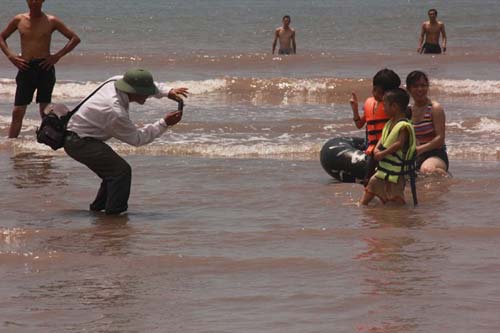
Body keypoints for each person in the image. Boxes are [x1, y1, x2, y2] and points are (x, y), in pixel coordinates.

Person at [64, 68, 189, 215]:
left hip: (79, 134)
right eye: (146, 92)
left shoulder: (116, 81)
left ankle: (99, 210)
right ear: (133, 91)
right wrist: (164, 123)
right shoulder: (114, 111)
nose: (149, 95)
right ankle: (114, 216)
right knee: (120, 171)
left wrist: (168, 91)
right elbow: (137, 139)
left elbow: (147, 84)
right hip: (79, 142)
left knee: (112, 172)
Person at [0, 0, 81, 138]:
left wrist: (57, 56)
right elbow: (1, 37)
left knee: (45, 111)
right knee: (18, 111)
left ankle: (47, 142)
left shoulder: (51, 20)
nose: (34, 1)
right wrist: (11, 56)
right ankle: (11, 143)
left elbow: (74, 38)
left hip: (45, 68)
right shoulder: (19, 20)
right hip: (25, 67)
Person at [360, 88, 416, 205]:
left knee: (396, 196)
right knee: (372, 184)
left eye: (385, 106)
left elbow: (399, 144)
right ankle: (361, 204)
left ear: (394, 107)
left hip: (396, 171)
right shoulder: (390, 123)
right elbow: (382, 138)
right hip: (384, 168)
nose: (383, 108)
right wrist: (376, 149)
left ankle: (401, 214)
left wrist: (383, 154)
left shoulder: (403, 126)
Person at [350, 68, 401, 183]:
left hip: (387, 149)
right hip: (372, 149)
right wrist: (355, 110)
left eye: (381, 93)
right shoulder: (369, 103)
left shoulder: (394, 108)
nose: (376, 94)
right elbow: (359, 125)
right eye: (374, 90)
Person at [406, 70, 448, 175]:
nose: (420, 89)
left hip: (436, 154)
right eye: (415, 86)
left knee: (426, 170)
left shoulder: (435, 108)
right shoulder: (407, 110)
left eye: (423, 85)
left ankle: (445, 179)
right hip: (416, 156)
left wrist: (420, 149)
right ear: (408, 89)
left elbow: (440, 138)